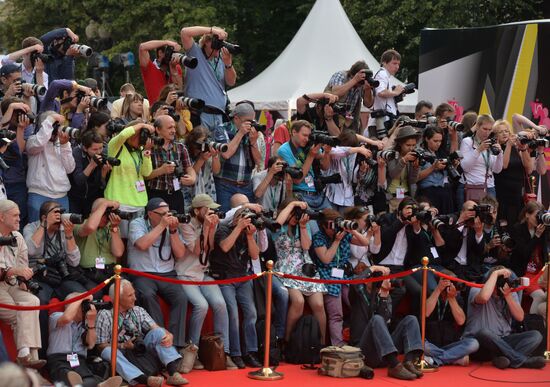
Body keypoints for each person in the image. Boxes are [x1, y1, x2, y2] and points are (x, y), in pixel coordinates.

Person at [175, 194, 236, 371]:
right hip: (185, 274)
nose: (211, 212)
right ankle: (192, 352)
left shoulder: (209, 223)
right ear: (196, 211)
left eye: (212, 209)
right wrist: (206, 229)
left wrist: (210, 228)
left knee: (220, 304)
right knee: (201, 305)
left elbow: (209, 248)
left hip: (203, 274)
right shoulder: (185, 223)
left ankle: (223, 353)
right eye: (207, 209)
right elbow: (195, 250)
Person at [23, 201, 88, 356]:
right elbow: (29, 251)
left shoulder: (63, 230)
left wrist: (69, 235)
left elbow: (74, 261)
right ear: (44, 216)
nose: (59, 216)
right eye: (55, 213)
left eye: (61, 212)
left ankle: (84, 351)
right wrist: (44, 225)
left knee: (83, 297)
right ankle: (44, 352)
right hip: (40, 275)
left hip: (61, 274)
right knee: (42, 303)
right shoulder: (31, 227)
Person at [96, 280, 189, 386]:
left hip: (140, 350)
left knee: (158, 332)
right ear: (118, 299)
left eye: (134, 293)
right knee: (107, 351)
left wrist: (169, 335)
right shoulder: (105, 315)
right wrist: (123, 345)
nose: (135, 298)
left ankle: (173, 373)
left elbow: (157, 328)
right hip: (120, 351)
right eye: (130, 295)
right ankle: (144, 379)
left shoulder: (138, 310)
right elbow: (100, 346)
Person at [127, 198, 188, 349]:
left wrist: (173, 231)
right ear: (150, 214)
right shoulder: (137, 223)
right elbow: (142, 244)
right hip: (143, 272)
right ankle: (159, 340)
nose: (166, 217)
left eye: (168, 213)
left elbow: (180, 254)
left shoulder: (171, 225)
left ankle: (176, 344)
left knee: (181, 298)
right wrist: (161, 226)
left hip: (167, 273)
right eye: (162, 214)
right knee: (147, 295)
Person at [209, 207, 262, 369]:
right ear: (237, 218)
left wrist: (250, 236)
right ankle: (235, 353)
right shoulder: (223, 229)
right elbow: (224, 246)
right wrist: (238, 228)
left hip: (243, 277)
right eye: (246, 219)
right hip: (225, 278)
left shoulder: (249, 232)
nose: (248, 222)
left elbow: (255, 255)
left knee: (251, 313)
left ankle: (250, 352)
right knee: (233, 314)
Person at [463, 266, 545, 369]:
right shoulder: (477, 288)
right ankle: (522, 360)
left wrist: (508, 296)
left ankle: (503, 358)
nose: (499, 289)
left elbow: (520, 317)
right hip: (481, 343)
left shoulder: (509, 293)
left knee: (535, 336)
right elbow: (483, 297)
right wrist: (495, 274)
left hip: (503, 341)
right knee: (484, 332)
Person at [351, 266, 424, 380]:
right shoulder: (359, 294)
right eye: (378, 278)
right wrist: (373, 268)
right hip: (363, 352)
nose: (381, 280)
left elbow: (385, 322)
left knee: (411, 319)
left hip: (383, 353)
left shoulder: (384, 297)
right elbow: (355, 283)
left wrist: (384, 296)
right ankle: (394, 365)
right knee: (377, 319)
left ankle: (408, 362)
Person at [312, 208, 371, 346]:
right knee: (336, 314)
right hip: (327, 275)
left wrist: (351, 229)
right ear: (322, 225)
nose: (334, 229)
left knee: (358, 304)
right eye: (330, 226)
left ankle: (359, 340)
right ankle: (337, 346)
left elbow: (365, 242)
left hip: (344, 275)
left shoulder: (344, 233)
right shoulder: (318, 237)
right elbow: (326, 259)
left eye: (336, 225)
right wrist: (337, 241)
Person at [273, 199, 327, 344]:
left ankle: (320, 345)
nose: (296, 216)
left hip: (306, 268)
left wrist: (303, 227)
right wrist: (291, 204)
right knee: (298, 301)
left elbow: (306, 246)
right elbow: (277, 223)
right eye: (293, 213)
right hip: (285, 267)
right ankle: (287, 342)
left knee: (319, 305)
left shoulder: (303, 225)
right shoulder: (277, 226)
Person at [0, 200, 45, 369]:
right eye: (15, 215)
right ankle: (28, 359)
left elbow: (23, 265)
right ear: (1, 217)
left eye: (20, 215)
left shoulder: (17, 237)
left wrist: (24, 279)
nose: (20, 218)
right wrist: (13, 271)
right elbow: (14, 269)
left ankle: (26, 358)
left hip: (12, 285)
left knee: (32, 302)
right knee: (20, 312)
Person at [46, 293, 122, 387]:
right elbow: (67, 318)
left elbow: (91, 344)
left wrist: (91, 323)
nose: (85, 308)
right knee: (65, 373)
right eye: (82, 305)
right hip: (59, 359)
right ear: (71, 306)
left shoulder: (85, 324)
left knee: (87, 376)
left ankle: (87, 384)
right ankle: (95, 385)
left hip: (78, 359)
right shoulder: (56, 316)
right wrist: (81, 298)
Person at [180, 26, 237, 131]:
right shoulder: (195, 53)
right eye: (216, 42)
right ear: (206, 42)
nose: (219, 47)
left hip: (219, 116)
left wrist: (228, 64)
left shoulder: (221, 60)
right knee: (200, 146)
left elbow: (231, 82)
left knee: (220, 147)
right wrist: (212, 30)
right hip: (199, 114)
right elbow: (184, 32)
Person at [103, 121, 155, 235]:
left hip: (139, 203)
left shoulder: (139, 151)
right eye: (141, 136)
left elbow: (146, 173)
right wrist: (142, 125)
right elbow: (122, 135)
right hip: (120, 204)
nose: (143, 140)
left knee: (136, 241)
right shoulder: (116, 146)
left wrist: (147, 153)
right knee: (119, 239)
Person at [212, 103, 261, 212]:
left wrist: (253, 142)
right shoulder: (222, 129)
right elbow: (226, 154)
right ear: (236, 118)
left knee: (248, 219)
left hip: (246, 185)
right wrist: (240, 134)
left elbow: (258, 161)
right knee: (224, 220)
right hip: (225, 184)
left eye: (252, 121)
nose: (250, 124)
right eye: (247, 121)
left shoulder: (251, 133)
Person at [423, 273, 479, 367]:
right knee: (423, 346)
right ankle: (452, 358)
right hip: (430, 343)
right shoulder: (429, 293)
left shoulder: (457, 298)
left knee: (474, 343)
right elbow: (425, 313)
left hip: (450, 343)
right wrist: (438, 290)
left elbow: (461, 321)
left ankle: (435, 360)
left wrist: (452, 299)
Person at [145, 115, 196, 214]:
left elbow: (189, 168)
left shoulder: (180, 147)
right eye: (169, 128)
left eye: (174, 127)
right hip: (155, 195)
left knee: (177, 226)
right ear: (158, 130)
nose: (173, 130)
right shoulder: (149, 147)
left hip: (176, 194)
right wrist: (161, 170)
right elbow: (143, 176)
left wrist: (192, 178)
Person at [277, 120, 331, 210]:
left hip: (318, 193)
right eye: (304, 135)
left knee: (334, 219)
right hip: (300, 194)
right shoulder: (284, 150)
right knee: (312, 224)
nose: (307, 139)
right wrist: (311, 156)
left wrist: (327, 152)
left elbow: (325, 167)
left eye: (308, 136)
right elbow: (297, 180)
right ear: (294, 132)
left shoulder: (308, 145)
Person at [74, 199, 124, 293]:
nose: (107, 217)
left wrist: (114, 229)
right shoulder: (80, 224)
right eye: (104, 214)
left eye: (108, 214)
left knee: (125, 291)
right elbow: (90, 227)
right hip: (89, 274)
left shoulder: (112, 226)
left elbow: (118, 252)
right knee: (96, 294)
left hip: (110, 271)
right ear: (95, 212)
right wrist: (105, 204)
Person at [493, 119, 535, 226]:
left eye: (506, 131)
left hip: (517, 194)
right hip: (502, 194)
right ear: (495, 135)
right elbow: (504, 165)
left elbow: (529, 169)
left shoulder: (516, 147)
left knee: (516, 224)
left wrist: (524, 149)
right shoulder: (495, 148)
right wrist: (508, 146)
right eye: (500, 131)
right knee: (504, 224)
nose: (504, 133)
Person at [509, 201, 548, 314]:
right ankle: (530, 324)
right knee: (540, 296)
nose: (538, 218)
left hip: (539, 272)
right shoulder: (517, 229)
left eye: (540, 215)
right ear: (527, 214)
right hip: (523, 272)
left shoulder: (543, 229)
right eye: (536, 215)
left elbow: (545, 253)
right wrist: (536, 236)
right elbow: (524, 253)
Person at [458, 114, 503, 207]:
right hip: (470, 186)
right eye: (484, 129)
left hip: (489, 187)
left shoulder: (491, 143)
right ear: (477, 127)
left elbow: (497, 170)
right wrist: (478, 150)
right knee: (468, 219)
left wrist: (500, 153)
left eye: (490, 130)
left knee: (489, 219)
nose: (487, 133)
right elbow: (465, 167)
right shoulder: (468, 142)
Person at [68, 131, 112, 217]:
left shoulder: (103, 154)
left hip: (92, 199)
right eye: (95, 149)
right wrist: (91, 165)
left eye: (101, 148)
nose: (99, 152)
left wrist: (104, 174)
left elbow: (101, 187)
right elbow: (79, 180)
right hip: (76, 198)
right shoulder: (77, 153)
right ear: (85, 148)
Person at [325, 61, 375, 133]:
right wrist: (355, 80)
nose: (360, 84)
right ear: (352, 74)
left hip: (349, 120)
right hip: (332, 116)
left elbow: (368, 104)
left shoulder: (362, 83)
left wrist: (368, 89)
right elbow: (335, 93)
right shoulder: (341, 75)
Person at [366, 49, 405, 140]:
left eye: (398, 64)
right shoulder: (382, 74)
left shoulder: (387, 76)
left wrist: (397, 96)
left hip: (385, 120)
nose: (397, 67)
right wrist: (396, 92)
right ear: (384, 62)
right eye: (394, 63)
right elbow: (381, 92)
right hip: (379, 122)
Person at [416, 126, 455, 214]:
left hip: (444, 191)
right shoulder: (420, 153)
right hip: (428, 193)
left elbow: (446, 174)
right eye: (435, 141)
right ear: (426, 139)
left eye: (440, 141)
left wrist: (453, 166)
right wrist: (433, 167)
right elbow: (416, 177)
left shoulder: (441, 153)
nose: (438, 144)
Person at [385, 125, 421, 201]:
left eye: (414, 145)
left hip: (407, 194)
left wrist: (416, 168)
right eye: (408, 145)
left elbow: (413, 180)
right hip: (391, 195)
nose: (411, 148)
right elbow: (393, 174)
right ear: (400, 143)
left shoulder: (414, 154)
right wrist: (403, 160)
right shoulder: (391, 154)